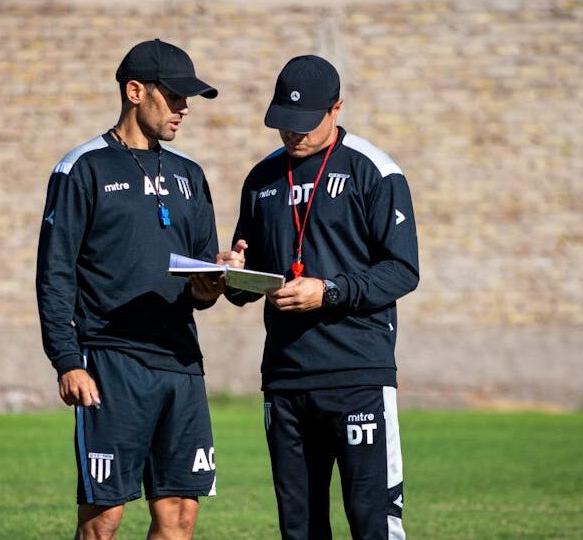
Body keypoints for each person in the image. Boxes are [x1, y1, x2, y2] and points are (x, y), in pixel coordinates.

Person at [218, 55, 419, 540]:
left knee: (373, 522)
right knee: (300, 529)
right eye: (284, 122)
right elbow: (249, 284)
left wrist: (327, 292)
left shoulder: (375, 171)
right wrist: (234, 274)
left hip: (357, 375)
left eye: (305, 122)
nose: (293, 133)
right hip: (285, 380)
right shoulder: (262, 179)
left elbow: (402, 271)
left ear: (336, 109)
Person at [36, 39, 224, 540]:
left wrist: (217, 279)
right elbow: (54, 274)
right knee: (104, 519)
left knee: (179, 516)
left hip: (181, 364)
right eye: (174, 96)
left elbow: (201, 286)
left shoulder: (190, 174)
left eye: (188, 99)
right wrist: (67, 360)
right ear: (135, 91)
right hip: (111, 363)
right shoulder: (82, 168)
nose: (184, 108)